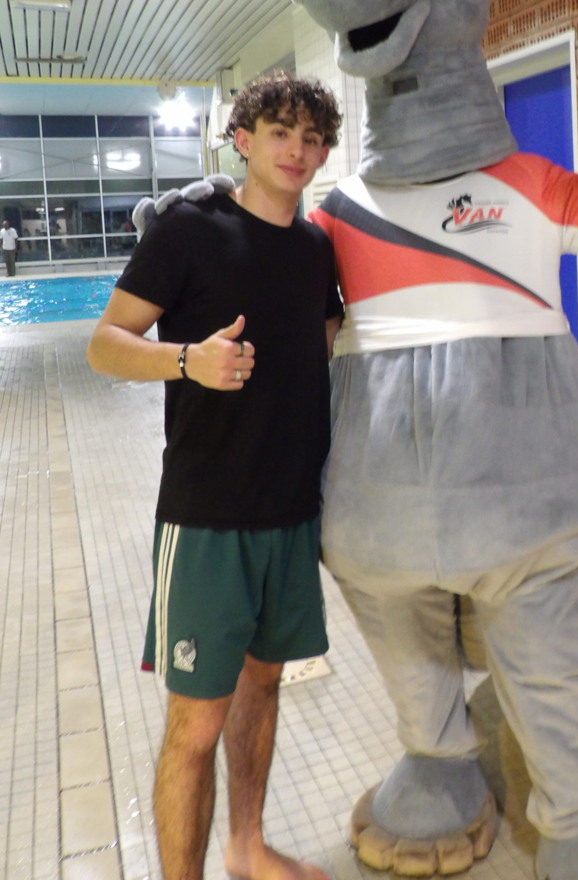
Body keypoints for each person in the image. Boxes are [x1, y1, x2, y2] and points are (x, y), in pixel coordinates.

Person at [87, 71, 342, 880]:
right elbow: (104, 344)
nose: (296, 150)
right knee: (195, 725)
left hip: (290, 516)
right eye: (280, 133)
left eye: (312, 139)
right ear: (243, 139)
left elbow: (324, 343)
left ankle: (247, 845)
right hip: (206, 519)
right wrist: (186, 361)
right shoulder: (190, 231)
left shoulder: (316, 248)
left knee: (263, 691)